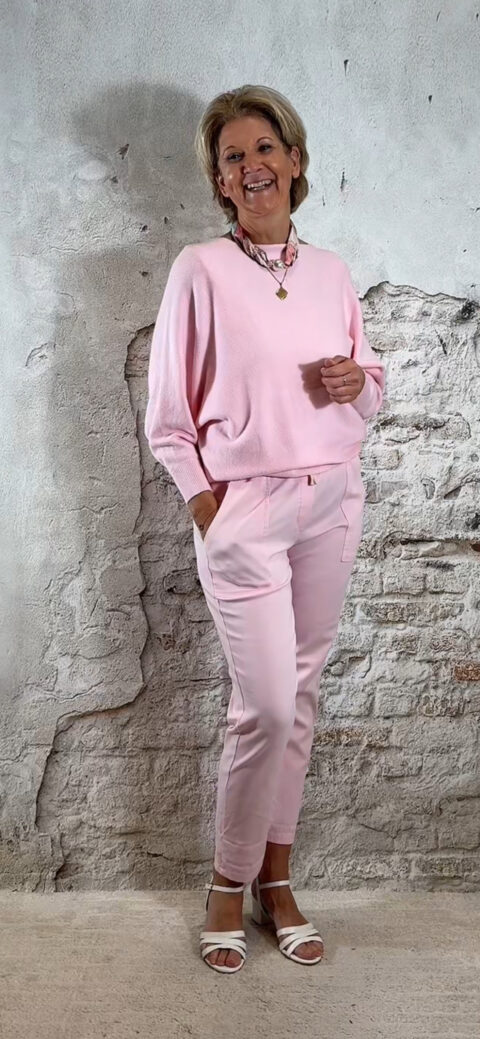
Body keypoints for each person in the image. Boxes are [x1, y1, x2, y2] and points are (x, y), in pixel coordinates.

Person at [144, 84, 385, 974]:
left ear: (294, 160)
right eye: (233, 156)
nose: (252, 166)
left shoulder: (331, 271)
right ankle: (226, 882)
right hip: (246, 511)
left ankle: (277, 881)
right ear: (220, 181)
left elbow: (369, 386)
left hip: (332, 499)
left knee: (303, 698)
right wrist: (213, 513)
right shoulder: (200, 270)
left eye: (265, 148)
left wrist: (359, 383)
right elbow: (168, 419)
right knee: (267, 706)